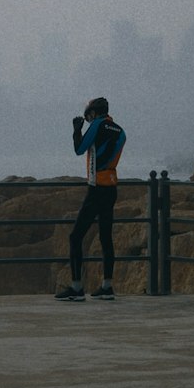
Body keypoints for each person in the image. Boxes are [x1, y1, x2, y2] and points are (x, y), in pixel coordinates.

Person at [55, 96, 127, 302]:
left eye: (89, 115)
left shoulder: (97, 125)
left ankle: (77, 288)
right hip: (111, 188)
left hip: (96, 189)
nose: (88, 119)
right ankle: (107, 287)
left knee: (75, 237)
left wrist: (76, 130)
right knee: (106, 237)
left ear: (94, 113)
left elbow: (80, 149)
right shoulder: (120, 131)